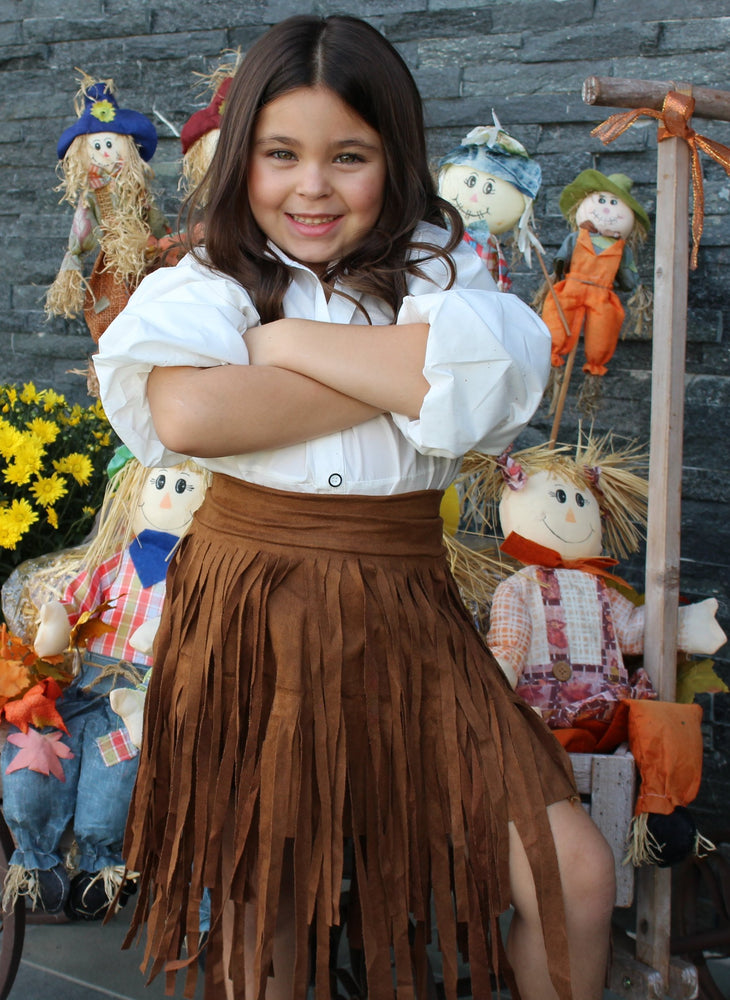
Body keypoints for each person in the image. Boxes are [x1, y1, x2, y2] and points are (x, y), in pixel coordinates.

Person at [94, 15, 616, 1000]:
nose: (312, 186)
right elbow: (193, 409)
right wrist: (412, 377)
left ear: (397, 158)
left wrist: (282, 346)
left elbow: (500, 381)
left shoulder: (436, 267)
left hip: (407, 607)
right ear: (242, 154)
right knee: (270, 911)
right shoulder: (210, 276)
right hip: (254, 600)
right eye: (280, 153)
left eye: (349, 156)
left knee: (575, 876)